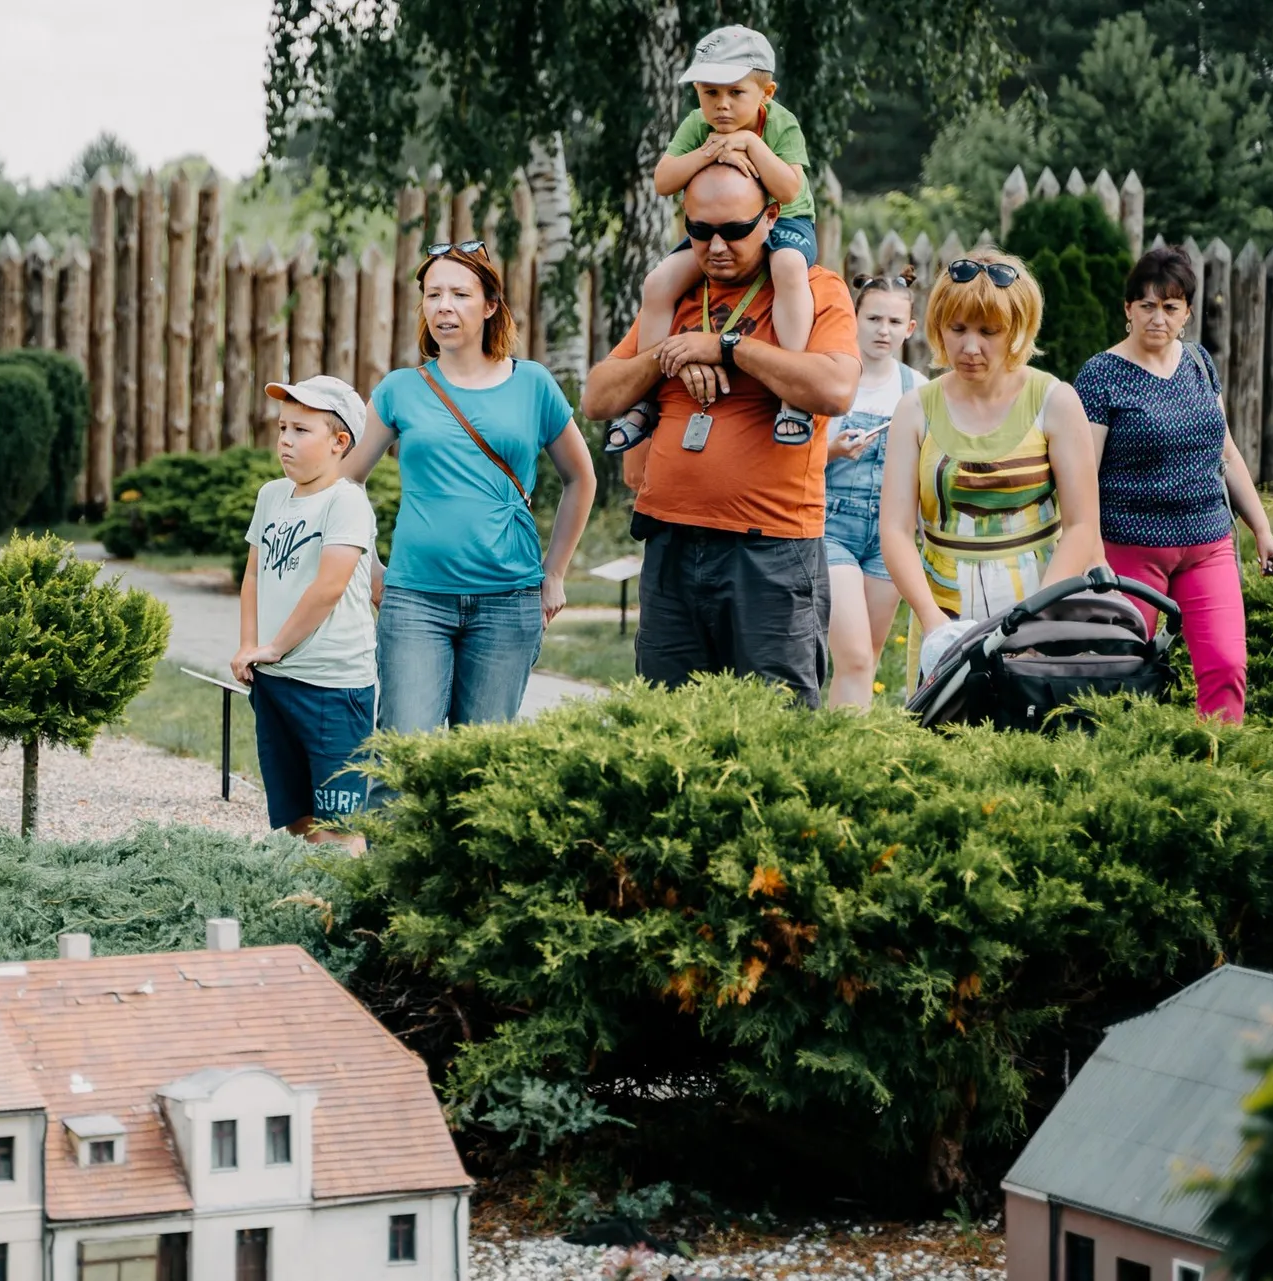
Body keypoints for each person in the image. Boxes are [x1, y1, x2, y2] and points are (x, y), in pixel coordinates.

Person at [582, 164, 860, 706]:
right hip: (670, 542)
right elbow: (598, 396)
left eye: (734, 231)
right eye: (699, 230)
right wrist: (673, 356)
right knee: (666, 726)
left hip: (772, 548)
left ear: (771, 217)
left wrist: (728, 347)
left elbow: (834, 388)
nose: (715, 246)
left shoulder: (811, 288)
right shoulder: (680, 293)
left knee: (774, 727)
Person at [342, 242, 596, 733]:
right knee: (404, 751)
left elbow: (580, 478)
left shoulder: (534, 384)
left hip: (509, 599)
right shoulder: (400, 389)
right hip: (415, 599)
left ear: (490, 305)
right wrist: (371, 567)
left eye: (460, 294)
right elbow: (348, 481)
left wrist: (556, 572)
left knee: (479, 765)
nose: (444, 306)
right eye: (433, 295)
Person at [1073, 246, 1273, 722]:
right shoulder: (1101, 375)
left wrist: (1263, 530)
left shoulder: (1198, 363)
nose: (1157, 318)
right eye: (1146, 306)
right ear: (1127, 309)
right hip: (1129, 550)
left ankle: (1215, 769)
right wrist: (1090, 554)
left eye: (1170, 307)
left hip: (1207, 544)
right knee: (1122, 676)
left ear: (1187, 312)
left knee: (1227, 666)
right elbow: (1082, 475)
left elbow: (1226, 453)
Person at [878, 250, 1104, 681]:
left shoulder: (1054, 401)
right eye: (957, 328)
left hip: (1042, 596)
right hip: (943, 604)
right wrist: (934, 623)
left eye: (989, 331)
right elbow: (894, 529)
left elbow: (1080, 526)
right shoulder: (914, 409)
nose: (970, 347)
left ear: (1018, 329)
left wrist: (1036, 623)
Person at [602, 25, 824, 455]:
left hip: (785, 221)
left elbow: (789, 190)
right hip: (717, 229)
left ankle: (792, 396)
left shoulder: (780, 124)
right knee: (658, 282)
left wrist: (748, 145)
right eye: (709, 93)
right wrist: (710, 150)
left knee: (789, 267)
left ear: (766, 92)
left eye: (735, 93)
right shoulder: (696, 125)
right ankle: (647, 395)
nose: (721, 105)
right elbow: (664, 181)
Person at [232, 376, 378, 851]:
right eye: (282, 428)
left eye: (301, 430)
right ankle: (308, 906)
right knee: (297, 817)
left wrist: (274, 646)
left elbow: (328, 586)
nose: (285, 442)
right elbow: (253, 577)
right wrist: (250, 646)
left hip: (333, 688)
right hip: (275, 681)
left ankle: (343, 916)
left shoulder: (346, 502)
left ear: (340, 443)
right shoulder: (272, 495)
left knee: (339, 823)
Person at [824, 270, 925, 707]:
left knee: (872, 655)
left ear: (910, 329)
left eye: (894, 322)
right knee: (855, 657)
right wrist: (833, 451)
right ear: (854, 318)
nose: (883, 331)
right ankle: (843, 758)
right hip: (831, 528)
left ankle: (852, 751)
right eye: (873, 319)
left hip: (890, 535)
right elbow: (795, 458)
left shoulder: (917, 389)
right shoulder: (834, 379)